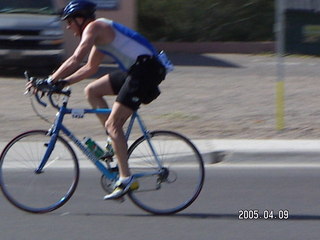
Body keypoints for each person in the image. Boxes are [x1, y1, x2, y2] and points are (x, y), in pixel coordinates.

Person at [28, 0, 171, 200]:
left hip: (146, 71)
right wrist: (62, 83)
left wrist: (50, 80)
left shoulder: (95, 27)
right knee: (92, 90)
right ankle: (113, 143)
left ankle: (126, 179)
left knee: (114, 124)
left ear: (81, 19)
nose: (68, 27)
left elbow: (76, 58)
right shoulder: (99, 34)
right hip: (137, 70)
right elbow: (90, 68)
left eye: (70, 22)